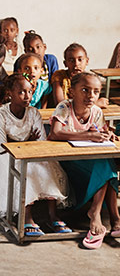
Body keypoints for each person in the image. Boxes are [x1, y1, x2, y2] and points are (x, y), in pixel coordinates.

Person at [0, 74, 70, 235]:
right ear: (10, 93)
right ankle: (27, 217)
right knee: (23, 172)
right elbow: (2, 145)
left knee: (45, 167)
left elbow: (41, 141)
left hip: (28, 150)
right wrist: (26, 141)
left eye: (30, 92)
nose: (27, 96)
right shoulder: (0, 115)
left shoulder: (33, 113)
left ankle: (53, 216)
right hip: (3, 153)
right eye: (21, 92)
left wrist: (26, 143)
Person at [48, 72, 120, 249]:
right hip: (68, 163)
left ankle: (100, 214)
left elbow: (99, 132)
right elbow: (55, 134)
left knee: (106, 163)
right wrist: (88, 135)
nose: (91, 96)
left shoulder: (96, 111)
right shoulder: (64, 107)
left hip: (88, 162)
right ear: (72, 92)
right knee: (106, 167)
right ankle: (111, 217)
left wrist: (107, 135)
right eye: (85, 90)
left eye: (95, 92)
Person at [51, 43, 108, 108]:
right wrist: (96, 105)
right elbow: (60, 104)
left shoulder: (89, 79)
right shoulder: (59, 76)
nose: (76, 64)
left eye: (80, 60)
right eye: (71, 60)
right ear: (65, 63)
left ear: (87, 61)